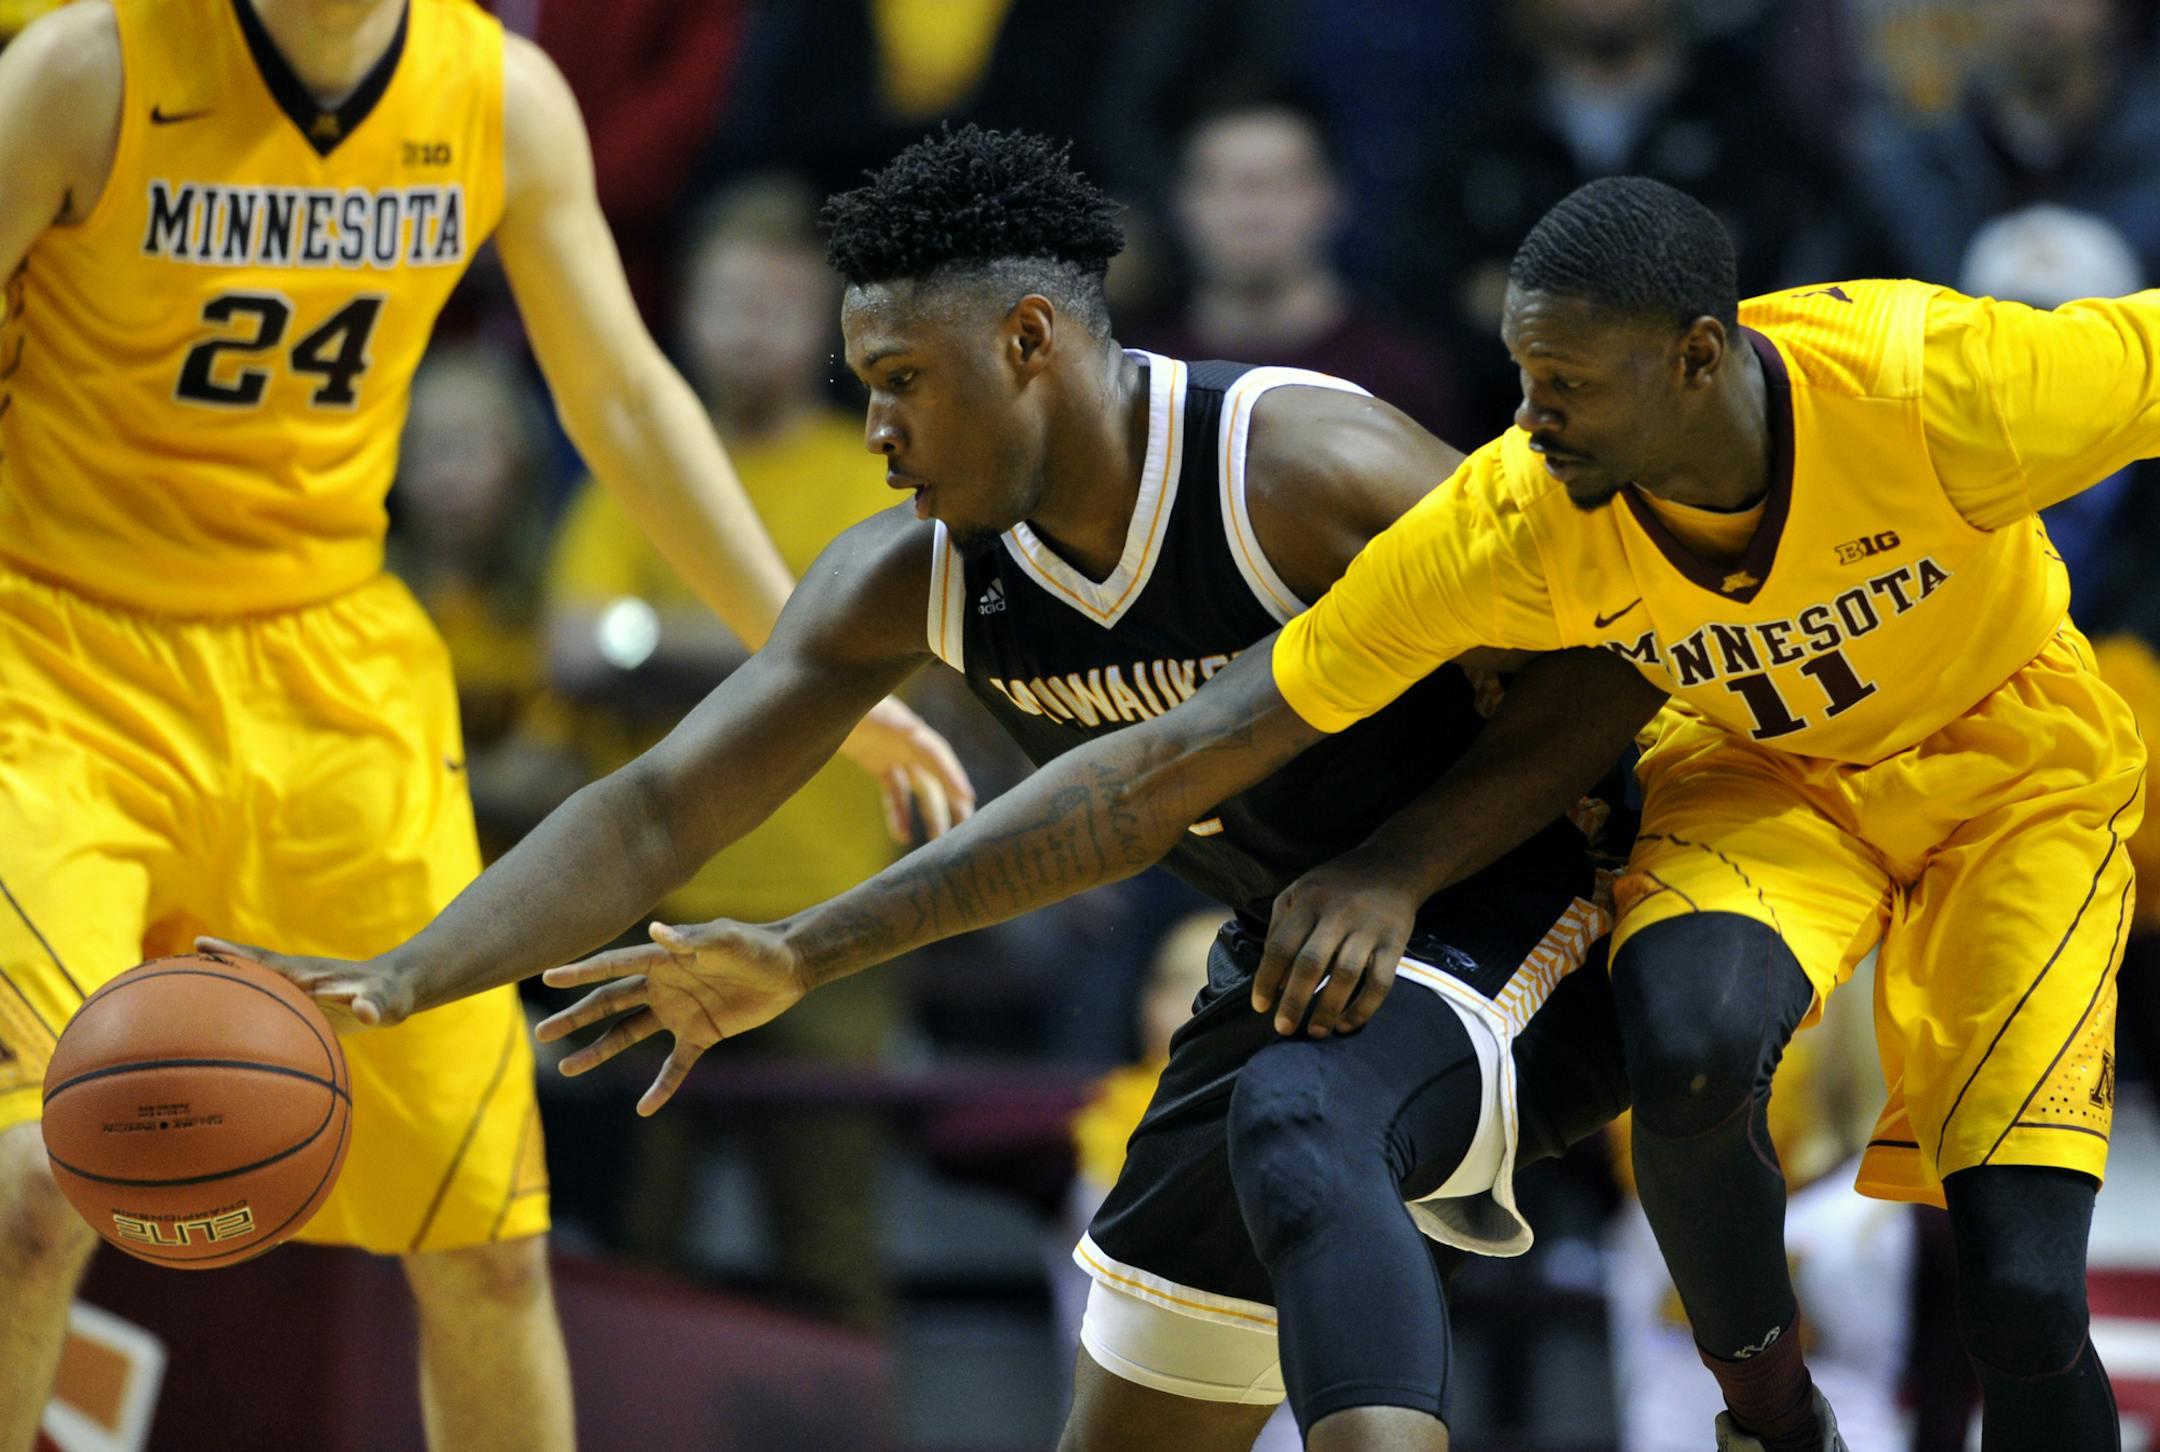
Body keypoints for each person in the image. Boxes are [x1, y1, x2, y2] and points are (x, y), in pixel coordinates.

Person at [533, 174, 2153, 1452]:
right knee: (1688, 1041)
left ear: (1697, 360)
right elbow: (1223, 728)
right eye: (1519, 378)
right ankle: (1771, 1418)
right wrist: (1378, 860)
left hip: (2010, 775)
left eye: (1565, 384)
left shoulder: (1952, 386)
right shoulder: (1522, 506)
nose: (1528, 422)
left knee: (2018, 1290)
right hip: (1761, 767)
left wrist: (1393, 865)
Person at [221, 124, 1665, 1452]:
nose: (874, 430)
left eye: (904, 380)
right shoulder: (913, 577)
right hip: (1307, 944)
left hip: (1557, 890)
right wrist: (406, 979)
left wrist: (1402, 863)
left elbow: (1619, 654)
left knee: (1298, 1126)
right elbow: (662, 808)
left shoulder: (1298, 459)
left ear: (1029, 340)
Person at [0, 2, 968, 1448]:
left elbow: (624, 399)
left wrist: (807, 657)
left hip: (332, 679)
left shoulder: (500, 97)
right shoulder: (89, 67)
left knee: (493, 1247)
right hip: (48, 653)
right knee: (32, 1194)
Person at [545, 178, 908, 1325]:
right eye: (728, 305)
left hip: (841, 918)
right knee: (633, 1254)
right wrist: (795, 642)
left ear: (832, 331)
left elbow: (897, 654)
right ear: (687, 316)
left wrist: (653, 640)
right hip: (648, 911)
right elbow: (572, 648)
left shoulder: (878, 470)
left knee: (836, 1250)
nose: (751, 330)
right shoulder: (648, 461)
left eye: (778, 308)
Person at [1134, 89, 1459, 439]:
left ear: (1334, 197)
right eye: (1220, 184)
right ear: (1179, 203)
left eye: (1281, 183)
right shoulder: (1138, 383)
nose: (1251, 213)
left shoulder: (1403, 380)